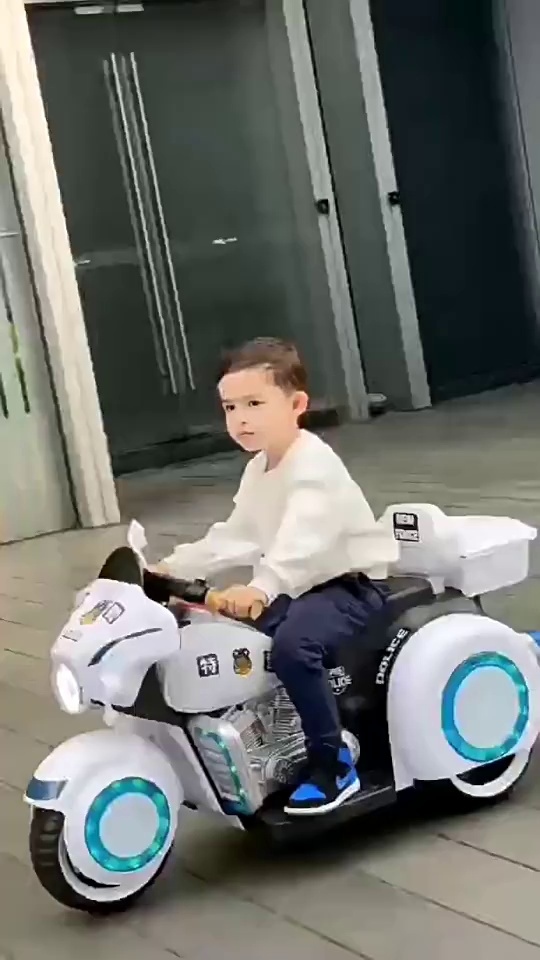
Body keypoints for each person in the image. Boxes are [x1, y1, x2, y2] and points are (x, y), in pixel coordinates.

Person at [154, 338, 398, 815]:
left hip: (349, 586)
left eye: (254, 403)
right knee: (230, 637)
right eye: (230, 407)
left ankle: (333, 764)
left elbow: (300, 541)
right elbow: (236, 535)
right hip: (300, 586)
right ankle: (267, 740)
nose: (240, 418)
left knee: (293, 647)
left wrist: (261, 587)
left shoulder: (314, 465)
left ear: (297, 404)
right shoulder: (259, 468)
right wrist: (171, 568)